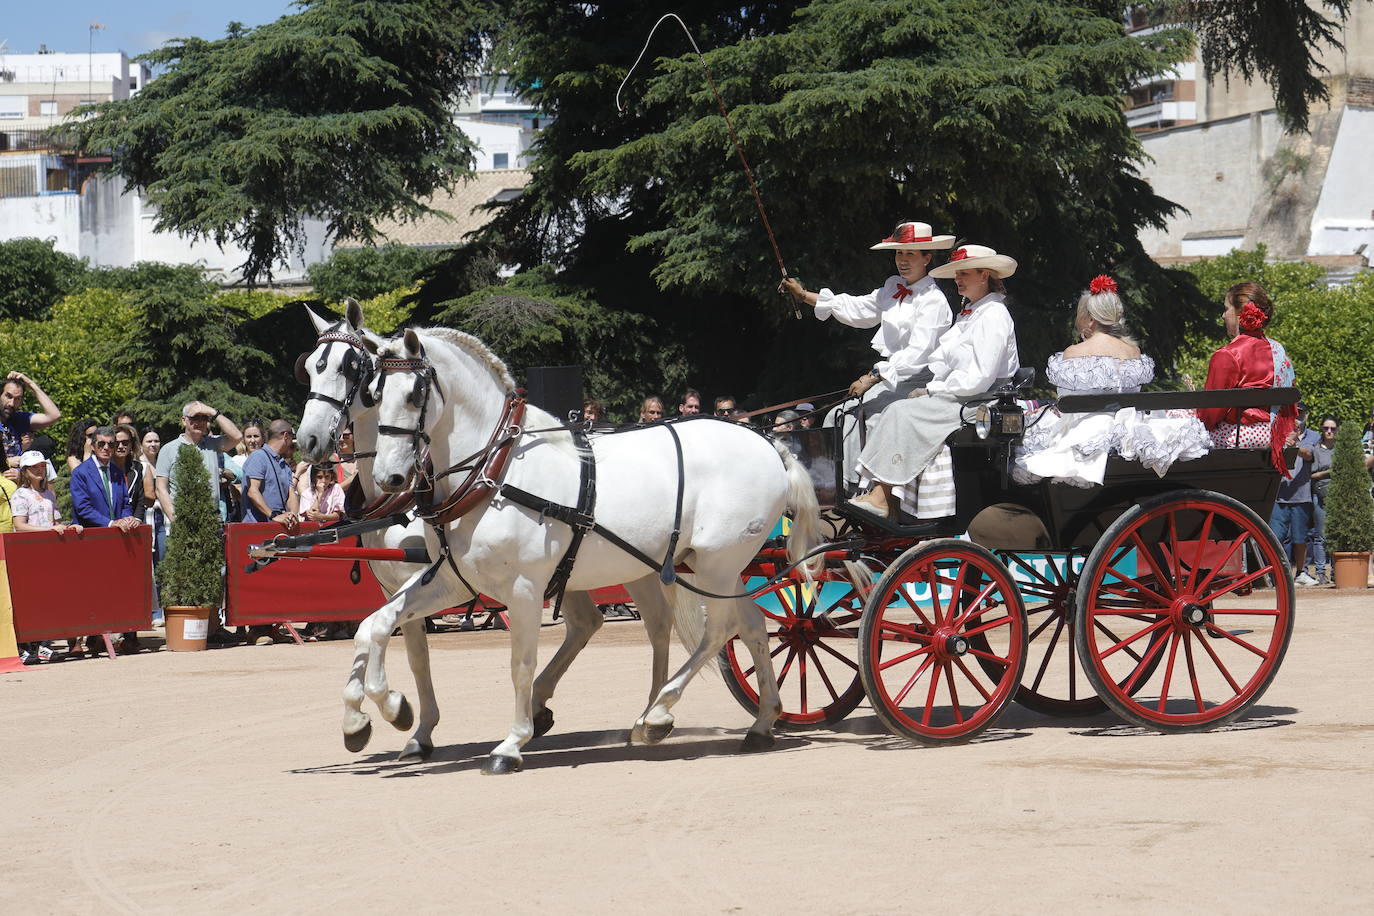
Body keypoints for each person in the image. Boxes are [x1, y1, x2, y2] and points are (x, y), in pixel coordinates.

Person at [849, 244, 1020, 519]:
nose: (957, 279)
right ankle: (883, 497)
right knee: (894, 407)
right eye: (956, 273)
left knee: (900, 411)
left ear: (984, 275)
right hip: (960, 395)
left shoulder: (994, 315)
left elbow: (979, 378)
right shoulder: (972, 313)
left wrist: (932, 388)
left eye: (964, 273)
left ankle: (883, 497)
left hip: (978, 402)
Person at [780, 220, 955, 481]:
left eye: (910, 254)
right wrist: (804, 295)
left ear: (927, 257)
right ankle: (833, 484)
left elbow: (918, 353)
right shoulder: (893, 287)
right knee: (838, 415)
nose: (902, 260)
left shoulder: (933, 300)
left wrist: (872, 376)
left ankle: (868, 487)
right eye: (898, 253)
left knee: (872, 417)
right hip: (891, 378)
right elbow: (856, 308)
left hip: (921, 380)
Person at [1013, 276, 1210, 487]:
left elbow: (1065, 400)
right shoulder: (1133, 352)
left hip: (1085, 430)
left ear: (1090, 319)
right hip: (1129, 429)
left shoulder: (1073, 353)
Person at [1196, 282, 1297, 475]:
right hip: (1274, 435)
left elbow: (1210, 415)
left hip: (1238, 437)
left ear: (1240, 314)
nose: (1223, 315)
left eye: (1226, 309)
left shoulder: (1227, 355)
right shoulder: (1278, 351)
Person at [12, 451, 81, 663]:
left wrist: (70, 528)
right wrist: (47, 532)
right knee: (27, 602)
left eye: (41, 466)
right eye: (34, 467)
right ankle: (24, 647)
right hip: (27, 555)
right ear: (25, 471)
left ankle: (43, 645)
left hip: (47, 555)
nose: (39, 470)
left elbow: (54, 522)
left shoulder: (50, 495)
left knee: (46, 600)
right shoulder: (20, 495)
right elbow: (19, 525)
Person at [1, 372, 62, 478]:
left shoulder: (19, 419)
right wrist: (8, 462)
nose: (11, 403)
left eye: (17, 399)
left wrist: (31, 384)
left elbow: (54, 415)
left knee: (46, 442)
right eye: (8, 396)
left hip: (21, 483)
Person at [1306, 415, 1338, 586]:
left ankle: (1335, 570)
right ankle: (1320, 572)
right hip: (1319, 494)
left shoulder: (1340, 449)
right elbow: (1312, 474)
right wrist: (1330, 472)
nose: (1329, 431)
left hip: (1337, 495)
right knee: (1320, 536)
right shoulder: (1316, 449)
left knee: (1336, 535)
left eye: (1332, 428)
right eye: (1326, 428)